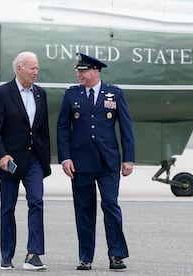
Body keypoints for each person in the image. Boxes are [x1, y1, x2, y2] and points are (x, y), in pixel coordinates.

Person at [56, 53, 135, 271]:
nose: (78, 74)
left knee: (110, 205)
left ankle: (116, 254)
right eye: (78, 71)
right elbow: (62, 127)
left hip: (108, 161)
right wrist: (65, 157)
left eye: (82, 71)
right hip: (81, 162)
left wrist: (128, 158)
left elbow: (126, 127)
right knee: (84, 209)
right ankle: (85, 257)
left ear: (95, 72)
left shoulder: (115, 93)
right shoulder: (71, 94)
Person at [0, 51, 51, 271]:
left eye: (37, 68)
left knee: (37, 202)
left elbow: (43, 131)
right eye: (32, 68)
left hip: (34, 159)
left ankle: (33, 254)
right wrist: (1, 155)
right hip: (10, 159)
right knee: (8, 208)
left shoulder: (41, 94)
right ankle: (7, 255)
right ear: (19, 69)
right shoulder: (2, 93)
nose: (36, 72)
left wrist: (45, 161)